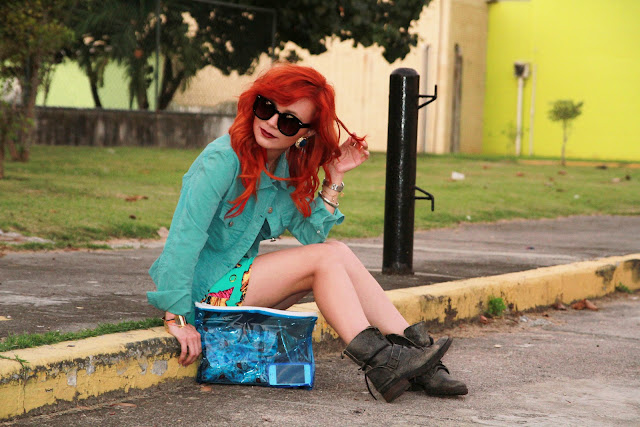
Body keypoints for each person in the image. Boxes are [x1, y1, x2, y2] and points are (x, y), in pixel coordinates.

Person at [147, 63, 467, 402]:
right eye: (266, 107)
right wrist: (177, 317)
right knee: (324, 259)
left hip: (232, 289)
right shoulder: (222, 159)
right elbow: (183, 239)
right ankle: (383, 362)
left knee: (336, 251)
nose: (272, 122)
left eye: (288, 121)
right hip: (201, 296)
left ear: (306, 133)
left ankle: (418, 356)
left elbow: (312, 236)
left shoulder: (283, 167)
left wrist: (335, 177)